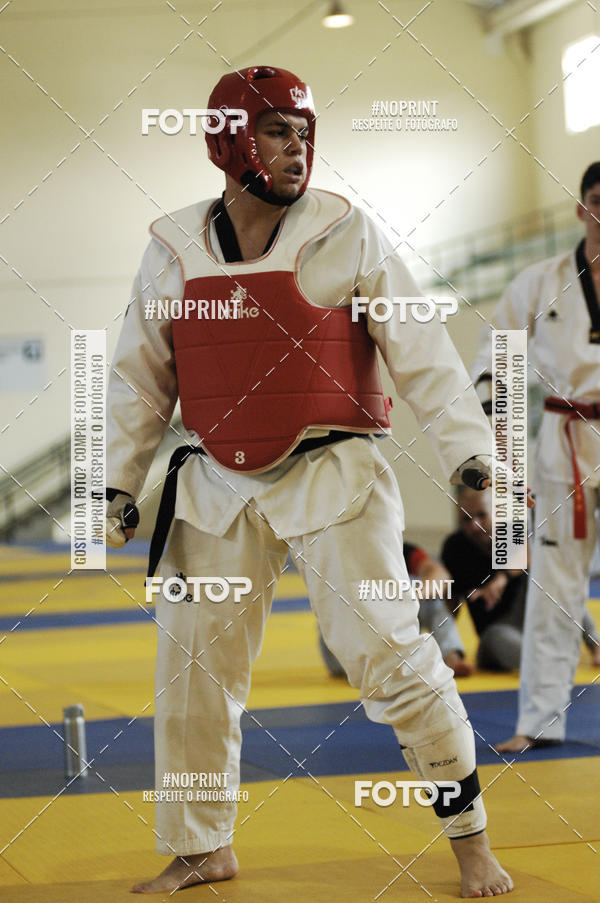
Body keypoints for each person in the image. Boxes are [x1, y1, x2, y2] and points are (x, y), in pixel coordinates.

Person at [106, 66, 515, 897]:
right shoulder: (172, 248)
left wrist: (472, 463)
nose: (299, 147)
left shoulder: (345, 233)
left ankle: (470, 839)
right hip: (217, 483)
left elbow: (425, 355)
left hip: (336, 472)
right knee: (190, 671)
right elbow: (139, 378)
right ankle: (201, 846)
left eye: (304, 130)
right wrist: (111, 484)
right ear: (229, 138)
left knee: (394, 657)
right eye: (277, 130)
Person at [471, 162, 600, 752]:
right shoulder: (539, 282)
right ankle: (540, 722)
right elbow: (498, 367)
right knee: (553, 589)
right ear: (580, 208)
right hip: (562, 442)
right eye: (598, 199)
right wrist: (506, 464)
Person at [442, 487, 600, 672]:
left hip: (536, 619)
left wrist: (501, 579)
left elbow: (531, 554)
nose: (475, 525)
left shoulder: (511, 531)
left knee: (552, 577)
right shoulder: (454, 548)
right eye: (466, 519)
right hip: (498, 632)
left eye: (482, 515)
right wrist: (449, 650)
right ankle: (543, 660)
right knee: (503, 642)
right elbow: (449, 605)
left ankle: (595, 642)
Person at [320, 541, 474, 678]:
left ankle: (451, 656)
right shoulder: (346, 555)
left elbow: (440, 575)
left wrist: (412, 598)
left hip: (394, 636)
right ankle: (381, 664)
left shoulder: (401, 549)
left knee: (432, 594)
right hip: (350, 649)